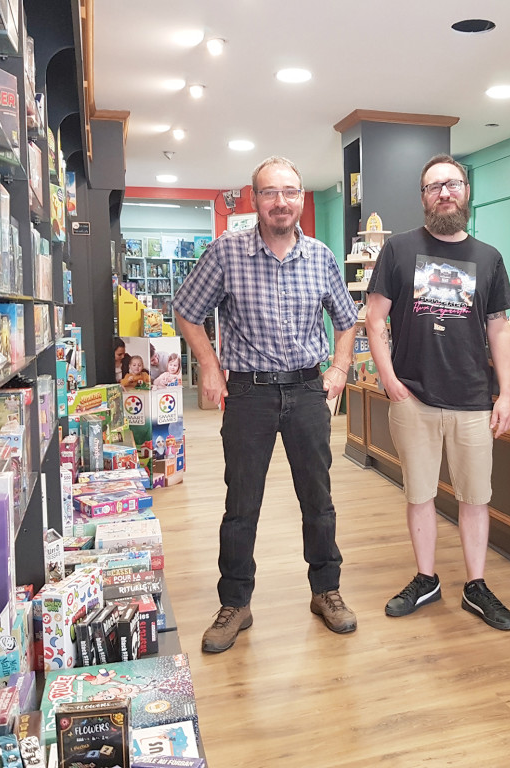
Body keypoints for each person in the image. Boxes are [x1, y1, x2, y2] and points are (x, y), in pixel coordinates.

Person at [174, 155, 359, 653]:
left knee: (317, 500)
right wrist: (210, 367)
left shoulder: (321, 257)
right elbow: (187, 311)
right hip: (249, 393)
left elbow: (347, 320)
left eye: (291, 192)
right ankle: (236, 602)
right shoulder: (225, 252)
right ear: (254, 199)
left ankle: (327, 591)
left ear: (301, 198)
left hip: (305, 392)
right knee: (242, 505)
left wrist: (339, 368)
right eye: (271, 192)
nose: (282, 202)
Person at [365, 153, 510, 631]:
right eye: (434, 187)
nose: (444, 193)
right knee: (419, 495)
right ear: (424, 198)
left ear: (465, 192)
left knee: (475, 497)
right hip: (415, 396)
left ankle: (476, 586)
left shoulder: (488, 258)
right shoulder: (398, 250)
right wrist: (389, 379)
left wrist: (507, 394)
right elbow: (373, 318)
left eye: (452, 184)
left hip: (475, 399)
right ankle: (426, 578)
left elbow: (499, 331)